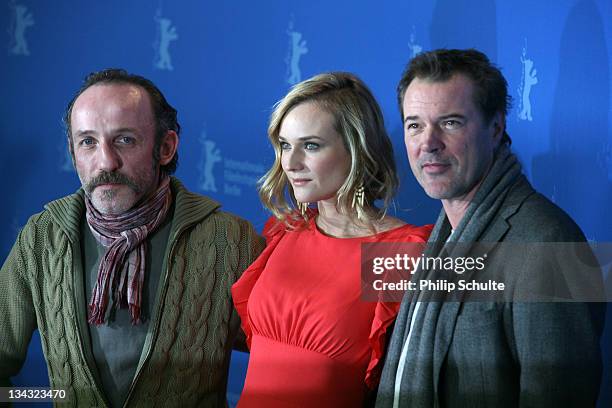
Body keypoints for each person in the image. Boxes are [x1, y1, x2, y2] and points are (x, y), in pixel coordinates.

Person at [0, 69, 263, 407]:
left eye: (125, 139)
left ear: (166, 147)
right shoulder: (42, 237)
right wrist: (50, 397)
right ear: (73, 151)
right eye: (88, 142)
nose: (105, 161)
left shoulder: (229, 240)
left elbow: (287, 361)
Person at [376, 49, 605, 407]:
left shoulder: (549, 241)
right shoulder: (441, 238)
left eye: (450, 122)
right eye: (415, 125)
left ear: (496, 127)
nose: (428, 142)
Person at [231, 72, 432, 407]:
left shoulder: (401, 251)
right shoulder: (285, 231)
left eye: (311, 145)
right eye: (285, 145)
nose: (291, 163)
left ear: (356, 149)